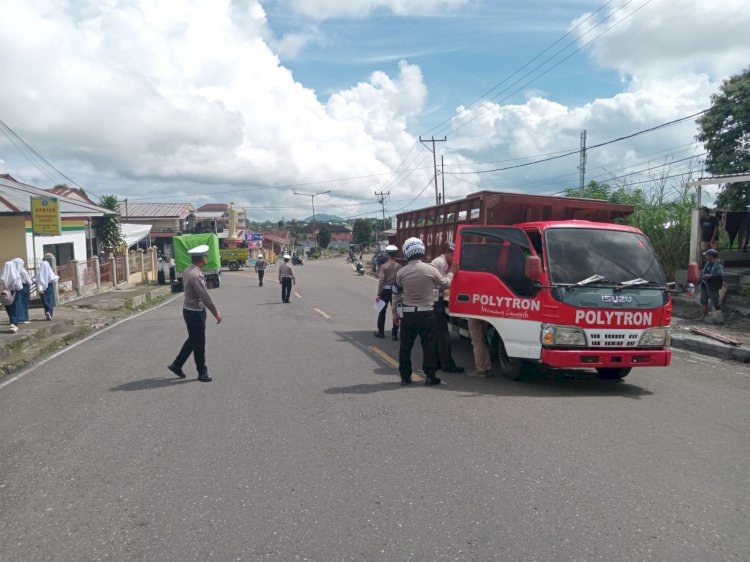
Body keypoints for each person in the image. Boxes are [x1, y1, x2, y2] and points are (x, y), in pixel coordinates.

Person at [393, 237, 456, 387]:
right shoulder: (430, 269)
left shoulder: (401, 273)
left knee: (405, 347)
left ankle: (405, 377)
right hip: (427, 313)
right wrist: (452, 272)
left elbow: (396, 296)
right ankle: (430, 376)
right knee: (428, 346)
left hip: (408, 314)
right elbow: (445, 283)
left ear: (406, 252)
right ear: (422, 250)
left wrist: (395, 315)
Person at [168, 244, 222, 382]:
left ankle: (177, 364)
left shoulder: (188, 270)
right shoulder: (195, 275)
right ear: (202, 259)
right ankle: (202, 372)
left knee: (193, 340)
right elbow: (204, 296)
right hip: (195, 313)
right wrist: (216, 312)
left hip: (189, 310)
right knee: (199, 343)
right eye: (205, 256)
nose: (206, 258)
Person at [430, 243, 464, 373]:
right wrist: (451, 274)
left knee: (439, 334)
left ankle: (440, 362)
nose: (454, 261)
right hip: (435, 300)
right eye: (454, 257)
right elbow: (440, 282)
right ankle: (446, 364)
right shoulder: (438, 263)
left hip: (437, 299)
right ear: (450, 254)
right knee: (443, 334)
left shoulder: (442, 263)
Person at [374, 245, 401, 340]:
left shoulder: (384, 266)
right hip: (395, 291)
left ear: (387, 254)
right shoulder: (399, 266)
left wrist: (378, 294)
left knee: (382, 311)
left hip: (385, 290)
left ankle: (381, 332)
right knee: (395, 312)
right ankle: (394, 334)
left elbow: (381, 281)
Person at [699, 248, 724, 324]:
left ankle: (718, 319)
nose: (705, 256)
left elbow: (720, 276)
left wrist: (710, 276)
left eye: (707, 255)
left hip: (712, 286)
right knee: (703, 301)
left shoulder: (718, 265)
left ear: (711, 256)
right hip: (704, 285)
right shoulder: (707, 263)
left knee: (715, 302)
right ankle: (702, 317)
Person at [1, 259, 22, 334]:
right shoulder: (16, 275)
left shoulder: (3, 275)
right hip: (14, 293)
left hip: (5, 293)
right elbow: (19, 286)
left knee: (8, 308)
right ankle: (13, 324)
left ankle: (13, 323)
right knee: (15, 308)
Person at [13, 258, 32, 324]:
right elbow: (29, 281)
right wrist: (30, 286)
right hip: (24, 287)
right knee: (24, 302)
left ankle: (18, 317)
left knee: (17, 303)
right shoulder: (23, 271)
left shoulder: (13, 271)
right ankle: (24, 317)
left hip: (16, 288)